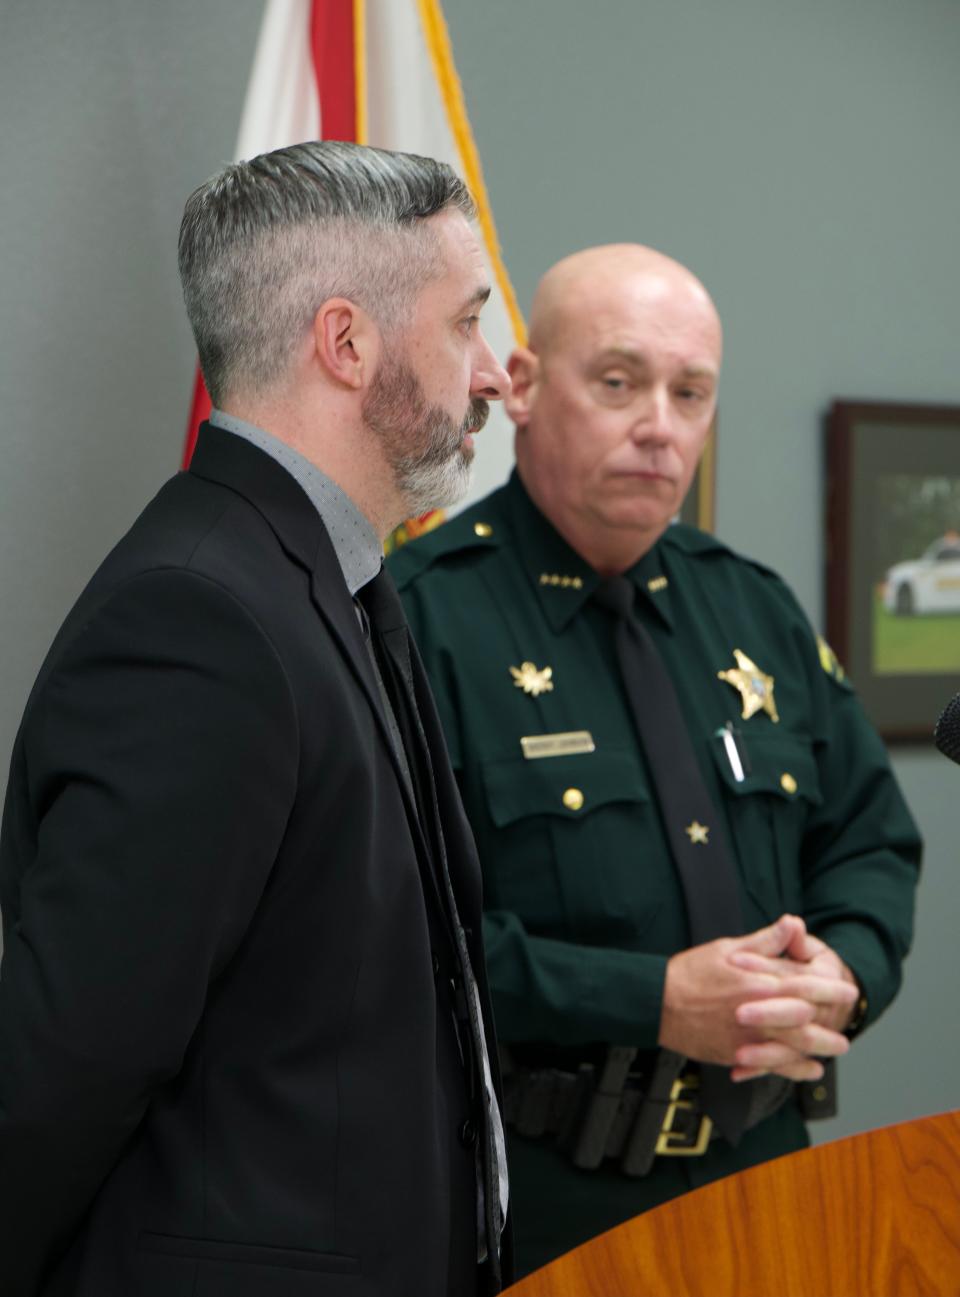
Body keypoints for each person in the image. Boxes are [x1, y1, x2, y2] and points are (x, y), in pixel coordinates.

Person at [0, 140, 513, 1297]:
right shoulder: (201, 618)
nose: (493, 369)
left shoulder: (324, 582)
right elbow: (70, 1063)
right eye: (466, 321)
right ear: (346, 343)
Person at [388, 244, 921, 1276]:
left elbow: (870, 838)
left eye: (691, 393)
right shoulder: (420, 620)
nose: (659, 427)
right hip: (542, 1201)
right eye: (620, 381)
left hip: (767, 1168)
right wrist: (652, 1000)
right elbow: (392, 943)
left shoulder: (752, 606)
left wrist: (844, 970)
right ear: (528, 387)